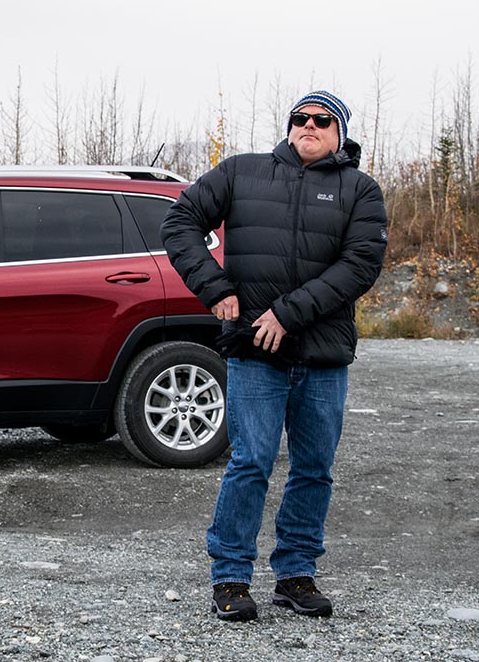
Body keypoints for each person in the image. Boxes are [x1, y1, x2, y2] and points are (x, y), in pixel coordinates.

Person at [161, 90, 387, 621]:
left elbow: (360, 265)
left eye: (323, 120)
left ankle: (296, 574)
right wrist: (214, 288)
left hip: (322, 356)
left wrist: (287, 314)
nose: (309, 125)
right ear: (289, 126)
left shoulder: (360, 190)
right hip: (254, 352)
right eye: (300, 118)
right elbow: (180, 222)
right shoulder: (242, 172)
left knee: (313, 469)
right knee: (251, 463)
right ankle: (231, 578)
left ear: (340, 133)